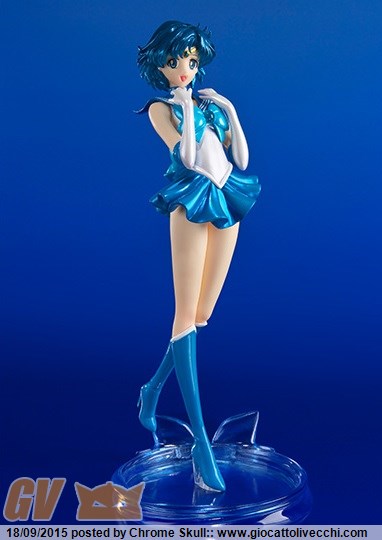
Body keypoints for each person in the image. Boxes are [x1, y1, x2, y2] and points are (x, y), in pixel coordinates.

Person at [136, 20, 261, 492]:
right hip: (191, 201)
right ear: (160, 65)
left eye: (189, 60)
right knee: (184, 316)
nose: (184, 69)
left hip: (228, 195)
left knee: (203, 314)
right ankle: (201, 442)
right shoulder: (161, 108)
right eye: (174, 62)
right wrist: (186, 108)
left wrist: (229, 109)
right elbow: (187, 158)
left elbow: (241, 159)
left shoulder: (211, 105)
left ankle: (152, 389)